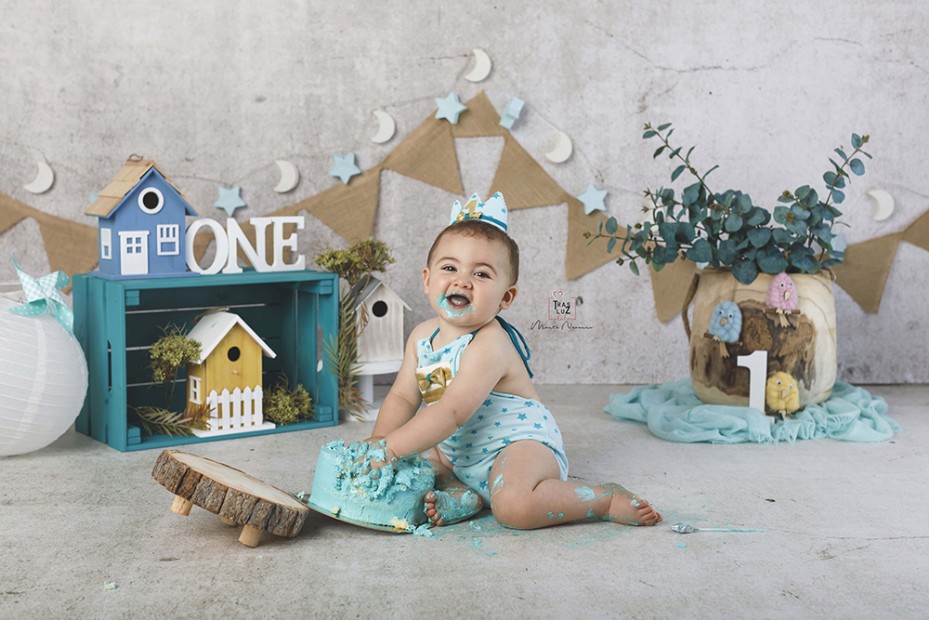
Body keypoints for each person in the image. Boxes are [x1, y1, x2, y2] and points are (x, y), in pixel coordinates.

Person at [368, 192, 661, 530]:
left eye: (481, 274)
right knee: (418, 465)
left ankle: (602, 499)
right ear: (427, 279)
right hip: (457, 450)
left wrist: (390, 449)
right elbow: (403, 397)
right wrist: (380, 441)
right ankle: (463, 495)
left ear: (505, 297)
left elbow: (451, 412)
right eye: (450, 268)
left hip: (517, 445)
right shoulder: (421, 337)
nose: (462, 281)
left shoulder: (489, 342)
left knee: (513, 507)